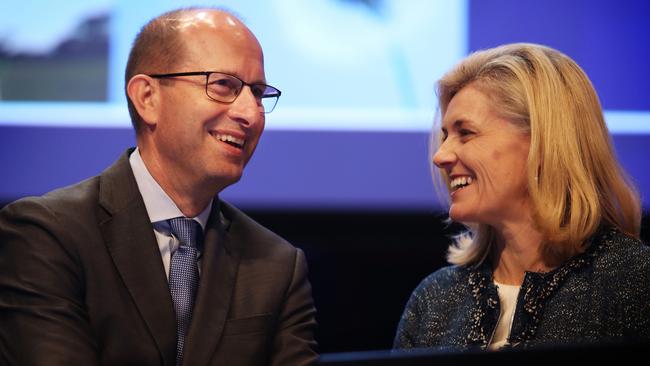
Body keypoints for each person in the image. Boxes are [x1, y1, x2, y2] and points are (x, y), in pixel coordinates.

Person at [0, 7, 317, 366]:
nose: (250, 113)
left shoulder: (276, 264)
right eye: (224, 85)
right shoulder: (47, 235)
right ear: (147, 97)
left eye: (258, 93)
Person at [393, 43, 650, 351]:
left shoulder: (634, 284)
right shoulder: (435, 299)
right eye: (446, 135)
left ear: (542, 142)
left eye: (466, 133)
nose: (441, 155)